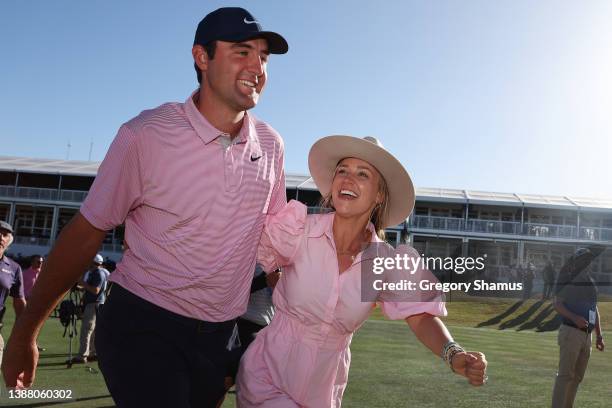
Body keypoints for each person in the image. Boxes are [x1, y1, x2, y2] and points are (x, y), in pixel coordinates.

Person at [2, 7, 288, 407]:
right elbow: (85, 234)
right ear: (201, 57)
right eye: (242, 51)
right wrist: (25, 333)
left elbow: (275, 249)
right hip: (145, 323)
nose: (257, 66)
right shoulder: (145, 134)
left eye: (264, 56)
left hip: (221, 334)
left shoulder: (272, 145)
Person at [236, 136, 488, 407]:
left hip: (324, 391)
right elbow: (254, 261)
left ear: (379, 195)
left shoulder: (383, 263)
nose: (348, 179)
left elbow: (420, 318)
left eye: (362, 174)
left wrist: (454, 354)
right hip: (268, 377)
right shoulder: (299, 230)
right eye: (342, 170)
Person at [552, 247, 605, 408]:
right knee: (565, 376)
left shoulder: (590, 281)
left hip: (586, 335)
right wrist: (575, 318)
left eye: (589, 260)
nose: (588, 263)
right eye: (585, 259)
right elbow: (557, 304)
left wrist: (599, 335)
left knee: (577, 377)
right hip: (571, 332)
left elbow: (594, 308)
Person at [69, 254, 108, 364]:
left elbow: (95, 290)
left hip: (93, 304)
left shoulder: (98, 273)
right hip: (96, 303)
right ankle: (93, 353)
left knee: (87, 330)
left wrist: (82, 283)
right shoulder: (97, 272)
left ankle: (83, 355)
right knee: (93, 330)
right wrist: (80, 286)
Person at [0, 221, 26, 365]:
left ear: (8, 241)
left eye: (5, 234)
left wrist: (24, 337)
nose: (0, 237)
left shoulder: (14, 268)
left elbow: (20, 304)